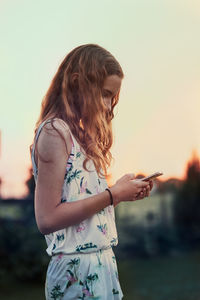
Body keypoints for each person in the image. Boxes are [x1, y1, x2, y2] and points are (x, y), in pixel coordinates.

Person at [31, 44, 153, 300]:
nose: (109, 106)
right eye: (105, 94)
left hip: (101, 263)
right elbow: (47, 219)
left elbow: (81, 212)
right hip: (75, 272)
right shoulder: (55, 132)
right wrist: (111, 195)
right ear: (77, 82)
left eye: (113, 98)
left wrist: (120, 193)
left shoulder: (78, 135)